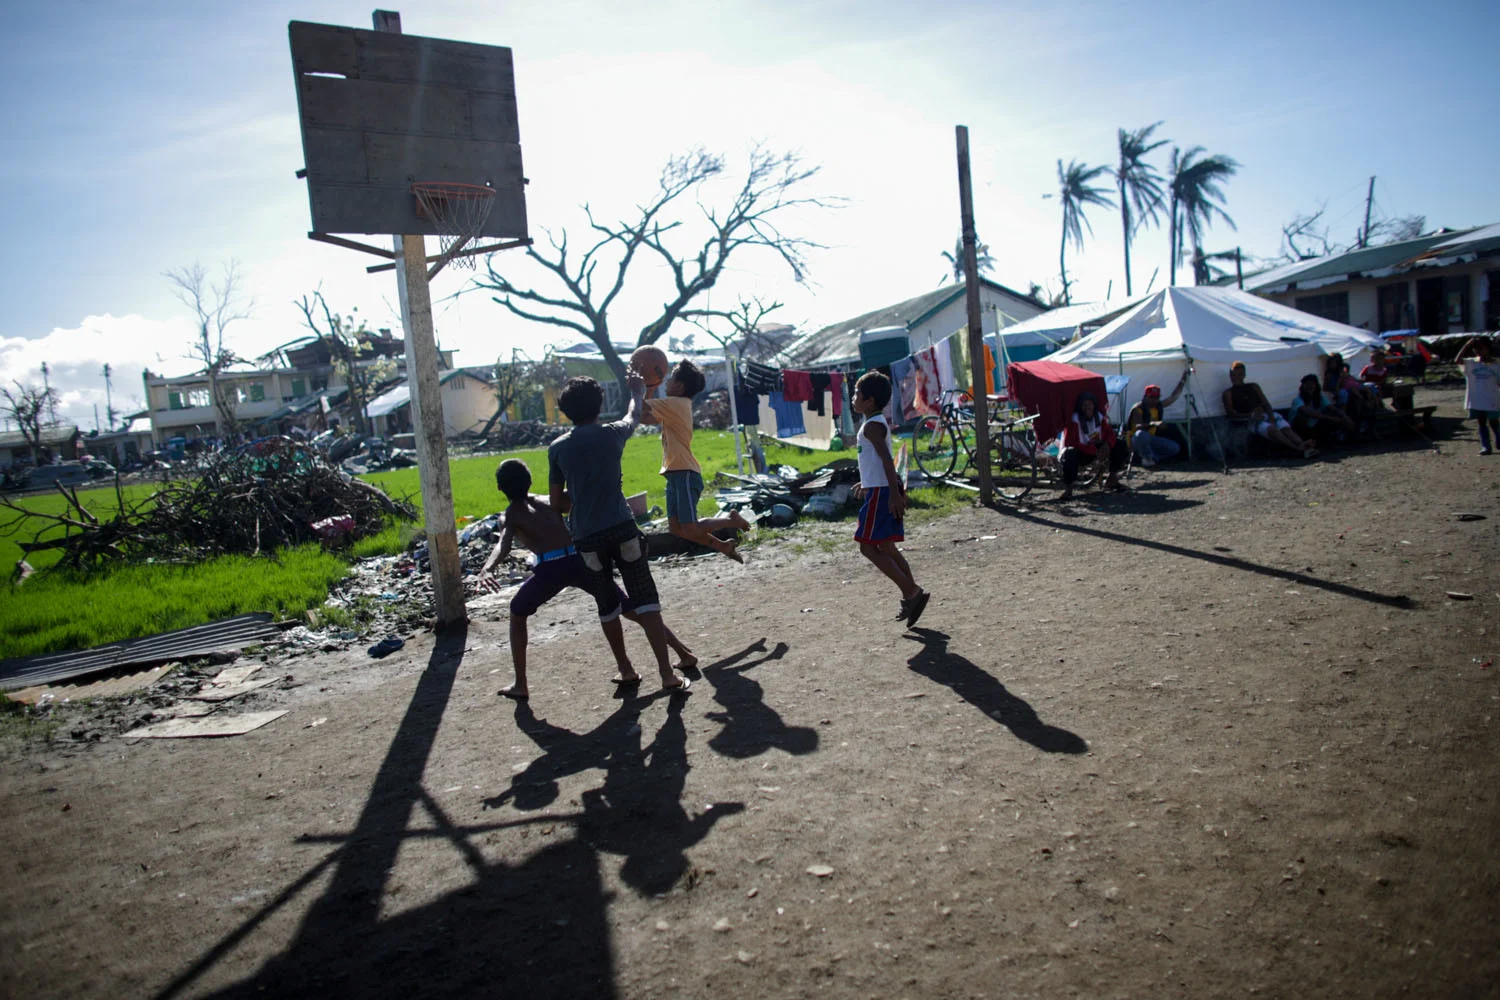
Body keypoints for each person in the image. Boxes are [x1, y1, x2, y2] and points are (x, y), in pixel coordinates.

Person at [478, 458, 698, 700]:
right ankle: (681, 653)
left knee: (517, 613)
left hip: (551, 569)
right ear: (530, 480)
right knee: (630, 609)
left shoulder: (510, 514)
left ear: (500, 489)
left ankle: (521, 684)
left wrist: (487, 568)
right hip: (580, 560)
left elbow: (504, 544)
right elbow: (586, 498)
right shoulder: (549, 500)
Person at [548, 373, 690, 694]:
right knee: (645, 600)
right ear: (599, 405)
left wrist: (584, 499)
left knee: (607, 604)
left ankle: (626, 670)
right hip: (623, 527)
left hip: (586, 536)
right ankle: (667, 673)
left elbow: (558, 502)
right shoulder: (612, 434)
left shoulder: (558, 449)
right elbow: (633, 415)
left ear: (566, 411)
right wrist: (637, 391)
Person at [641, 358, 751, 562]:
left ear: (679, 386)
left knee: (689, 526)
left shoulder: (675, 403)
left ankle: (730, 521)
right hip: (675, 474)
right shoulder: (675, 405)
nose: (665, 383)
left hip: (684, 473)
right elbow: (643, 416)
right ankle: (723, 546)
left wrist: (646, 386)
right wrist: (649, 387)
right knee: (676, 528)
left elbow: (640, 409)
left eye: (670, 379)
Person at [851, 370, 929, 628]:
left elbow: (886, 459)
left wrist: (893, 494)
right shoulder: (874, 423)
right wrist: (868, 481)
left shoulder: (872, 426)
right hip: (880, 488)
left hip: (883, 493)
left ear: (869, 401)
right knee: (886, 547)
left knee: (867, 546)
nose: (853, 398)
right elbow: (877, 461)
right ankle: (911, 596)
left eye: (857, 394)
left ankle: (912, 592)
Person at [1221, 360, 1318, 458]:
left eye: (1239, 374)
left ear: (1244, 375)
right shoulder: (1228, 393)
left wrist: (1271, 418)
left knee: (1286, 429)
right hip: (1251, 421)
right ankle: (1297, 449)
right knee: (1273, 430)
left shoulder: (1253, 386)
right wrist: (1250, 416)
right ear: (1230, 376)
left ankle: (1303, 445)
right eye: (1234, 375)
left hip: (1266, 415)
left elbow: (1266, 404)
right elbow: (1231, 414)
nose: (1236, 377)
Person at [1059, 391, 1129, 499]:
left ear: (1094, 405)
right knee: (1070, 454)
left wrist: (1107, 444)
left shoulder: (1099, 417)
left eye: (1090, 404)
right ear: (1080, 407)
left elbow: (1110, 433)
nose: (1088, 407)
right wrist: (1091, 450)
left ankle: (1112, 478)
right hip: (1082, 451)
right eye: (1085, 405)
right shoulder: (1074, 420)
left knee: (1120, 444)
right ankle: (1068, 488)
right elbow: (1070, 442)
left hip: (1098, 448)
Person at [1125, 367, 1191, 467]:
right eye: (1151, 397)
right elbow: (1138, 426)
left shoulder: (1158, 406)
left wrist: (1183, 379)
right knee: (1141, 434)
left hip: (1151, 439)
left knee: (1174, 448)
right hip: (1136, 441)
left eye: (1156, 398)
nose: (1154, 400)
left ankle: (1152, 458)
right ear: (1145, 397)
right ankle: (1147, 458)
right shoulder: (1138, 408)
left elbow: (1173, 397)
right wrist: (1155, 423)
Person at [1456, 337, 1500, 455]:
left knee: (1494, 421)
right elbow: (1457, 360)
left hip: (1492, 398)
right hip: (1477, 399)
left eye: (1481, 348)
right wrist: (1467, 345)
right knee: (1481, 422)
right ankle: (1486, 446)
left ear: (1488, 349)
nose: (1478, 351)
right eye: (1476, 349)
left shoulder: (1495, 365)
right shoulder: (1472, 363)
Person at [1288, 374, 1356, 447]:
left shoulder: (1320, 399)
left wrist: (1344, 416)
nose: (1309, 387)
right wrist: (1331, 419)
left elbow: (1331, 408)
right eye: (1306, 384)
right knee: (1302, 418)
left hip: (1315, 426)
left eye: (1311, 384)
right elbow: (1308, 412)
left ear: (1316, 386)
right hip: (1300, 428)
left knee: (1336, 414)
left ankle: (1350, 436)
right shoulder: (1297, 400)